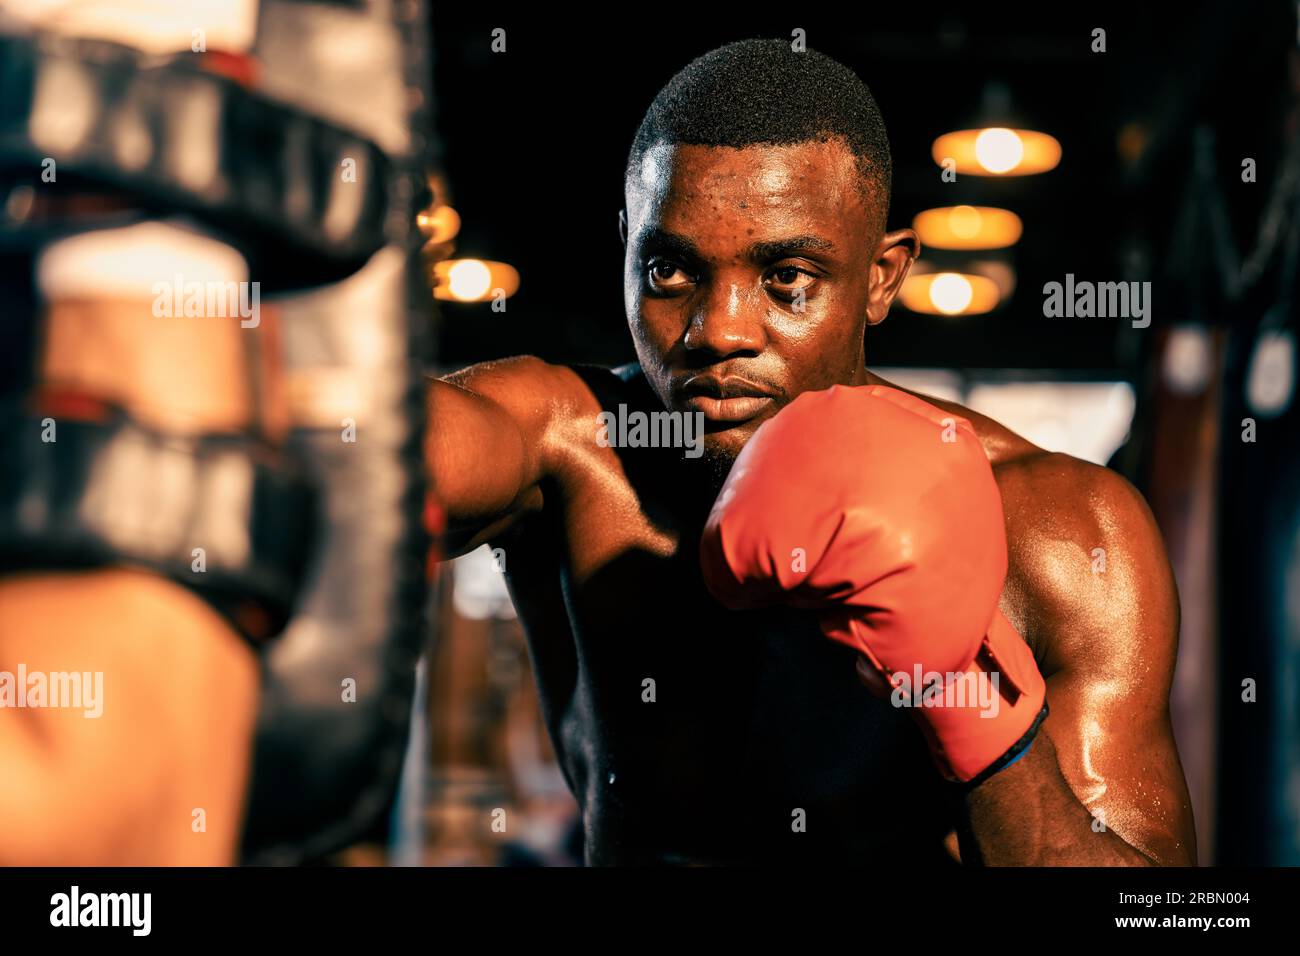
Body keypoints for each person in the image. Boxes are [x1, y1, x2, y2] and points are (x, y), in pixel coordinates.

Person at [426, 38, 1197, 865]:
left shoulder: (1061, 530)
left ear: (881, 277)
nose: (717, 331)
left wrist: (975, 706)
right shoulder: (566, 447)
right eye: (670, 270)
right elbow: (395, 452)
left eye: (788, 276)